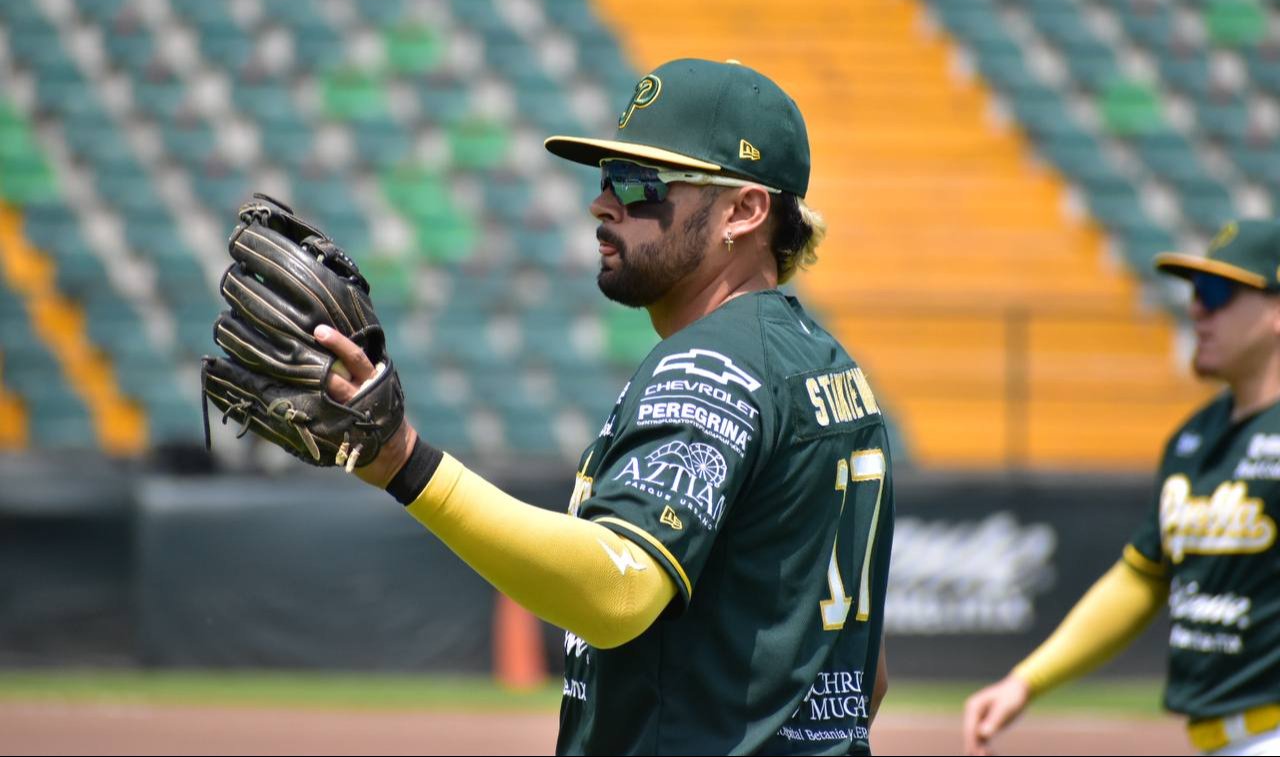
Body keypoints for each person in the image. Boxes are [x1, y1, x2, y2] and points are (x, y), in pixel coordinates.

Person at [314, 58, 896, 754]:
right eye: (606, 178)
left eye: (639, 183)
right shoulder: (830, 367)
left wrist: (406, 465)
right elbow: (869, 675)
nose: (603, 204)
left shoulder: (712, 361)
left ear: (743, 210)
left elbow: (618, 592)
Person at [962, 219, 1280, 757]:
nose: (1197, 308)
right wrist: (1026, 680)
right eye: (1194, 292)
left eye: (1218, 292)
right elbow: (1141, 577)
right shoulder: (1194, 438)